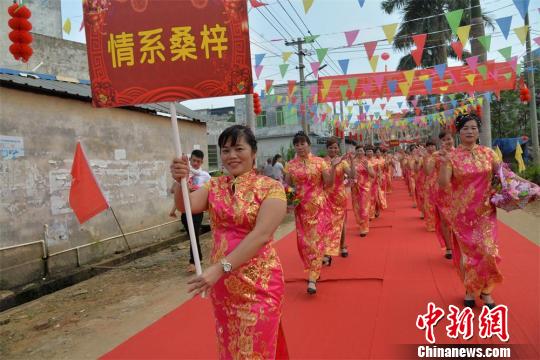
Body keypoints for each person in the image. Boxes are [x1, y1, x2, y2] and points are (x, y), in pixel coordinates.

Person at [170, 125, 288, 359]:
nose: (231, 155)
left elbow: (261, 235)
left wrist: (219, 268)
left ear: (254, 153)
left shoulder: (271, 188)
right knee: (232, 348)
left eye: (238, 148)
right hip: (224, 288)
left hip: (259, 285)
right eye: (225, 150)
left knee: (252, 351)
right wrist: (179, 181)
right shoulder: (213, 186)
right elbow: (186, 205)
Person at [438, 113, 502, 309]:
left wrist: (515, 190)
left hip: (485, 211)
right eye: (465, 128)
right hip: (463, 214)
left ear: (478, 130)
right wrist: (442, 163)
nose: (470, 131)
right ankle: (469, 290)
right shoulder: (452, 157)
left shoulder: (488, 153)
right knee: (470, 255)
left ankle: (486, 290)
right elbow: (443, 184)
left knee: (489, 251)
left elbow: (501, 177)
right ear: (459, 132)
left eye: (473, 127)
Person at [284, 131, 337, 294]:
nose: (300, 147)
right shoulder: (290, 165)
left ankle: (312, 278)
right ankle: (314, 267)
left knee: (316, 241)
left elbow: (328, 183)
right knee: (304, 243)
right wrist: (290, 203)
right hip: (301, 210)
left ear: (309, 144)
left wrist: (334, 167)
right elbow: (289, 186)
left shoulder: (320, 163)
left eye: (303, 143)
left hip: (318, 207)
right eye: (297, 144)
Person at [170, 149, 211, 272]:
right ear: (190, 160)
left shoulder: (205, 176)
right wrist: (180, 182)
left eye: (198, 161)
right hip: (184, 212)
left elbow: (210, 194)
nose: (196, 163)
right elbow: (175, 192)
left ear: (202, 162)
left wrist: (194, 190)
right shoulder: (185, 174)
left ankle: (194, 261)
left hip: (197, 211)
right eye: (194, 160)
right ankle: (196, 258)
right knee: (192, 236)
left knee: (194, 236)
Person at [323, 137, 354, 260]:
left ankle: (343, 245)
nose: (333, 149)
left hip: (339, 196)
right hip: (325, 196)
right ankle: (327, 250)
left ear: (338, 149)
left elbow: (351, 175)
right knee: (326, 223)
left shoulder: (343, 162)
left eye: (335, 147)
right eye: (330, 147)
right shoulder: (322, 162)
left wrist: (352, 162)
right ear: (327, 149)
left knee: (341, 223)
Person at [430, 131, 455, 259]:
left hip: (458, 193)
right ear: (441, 142)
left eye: (449, 139)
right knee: (445, 221)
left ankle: (460, 247)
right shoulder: (436, 155)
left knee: (457, 221)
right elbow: (428, 171)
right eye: (444, 140)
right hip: (442, 192)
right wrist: (425, 157)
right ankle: (449, 248)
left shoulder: (460, 153)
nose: (447, 142)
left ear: (453, 138)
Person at [351, 145, 375, 237]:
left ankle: (364, 228)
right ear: (356, 152)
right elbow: (351, 175)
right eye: (358, 151)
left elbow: (373, 175)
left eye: (361, 151)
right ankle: (360, 222)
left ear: (363, 152)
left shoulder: (367, 162)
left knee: (363, 207)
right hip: (355, 188)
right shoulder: (352, 162)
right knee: (356, 207)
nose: (360, 152)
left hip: (365, 187)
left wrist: (367, 169)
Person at [419, 141, 437, 232]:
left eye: (432, 145)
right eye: (429, 146)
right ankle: (431, 224)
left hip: (440, 183)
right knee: (429, 204)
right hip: (428, 183)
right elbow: (425, 171)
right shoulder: (424, 158)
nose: (431, 148)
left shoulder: (439, 156)